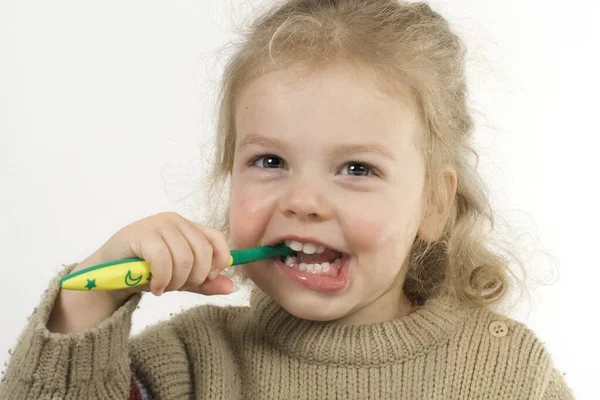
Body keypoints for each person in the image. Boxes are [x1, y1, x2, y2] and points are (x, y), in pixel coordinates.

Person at [0, 0, 573, 398]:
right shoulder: (190, 363)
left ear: (433, 205)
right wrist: (89, 298)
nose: (303, 201)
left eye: (356, 168)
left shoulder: (506, 370)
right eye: (269, 162)